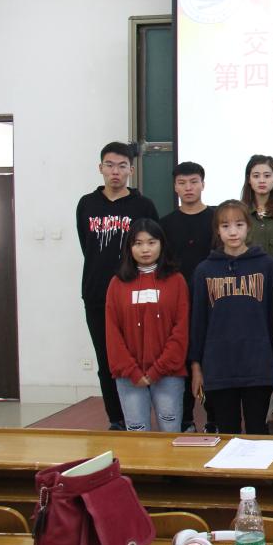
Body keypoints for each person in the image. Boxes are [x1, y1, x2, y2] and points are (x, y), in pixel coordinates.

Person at [76, 141, 159, 430]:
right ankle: (116, 419)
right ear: (100, 168)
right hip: (97, 294)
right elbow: (87, 246)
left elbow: (152, 248)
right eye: (110, 165)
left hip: (135, 293)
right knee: (107, 359)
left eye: (122, 166)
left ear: (131, 171)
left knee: (138, 357)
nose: (115, 171)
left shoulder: (143, 205)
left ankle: (140, 418)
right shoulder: (86, 204)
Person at [189, 200, 273, 435]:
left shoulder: (267, 266)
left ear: (248, 227)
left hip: (258, 365)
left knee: (258, 432)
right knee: (227, 432)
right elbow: (198, 322)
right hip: (219, 366)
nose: (233, 232)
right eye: (225, 226)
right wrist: (196, 366)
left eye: (239, 224)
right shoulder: (204, 271)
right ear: (217, 230)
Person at [104, 218, 189, 432]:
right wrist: (132, 372)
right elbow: (112, 334)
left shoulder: (176, 281)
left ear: (162, 244)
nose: (145, 249)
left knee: (170, 431)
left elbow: (181, 330)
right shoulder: (117, 284)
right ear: (129, 247)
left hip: (168, 373)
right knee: (137, 434)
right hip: (129, 376)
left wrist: (157, 370)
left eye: (151, 242)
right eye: (138, 243)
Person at [159, 161, 216, 433]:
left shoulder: (216, 219)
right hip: (178, 303)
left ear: (203, 184)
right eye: (182, 183)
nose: (188, 188)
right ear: (175, 187)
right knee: (180, 361)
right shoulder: (165, 224)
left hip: (214, 301)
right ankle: (186, 420)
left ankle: (214, 419)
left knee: (211, 360)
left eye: (194, 182)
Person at [241, 154, 273, 264]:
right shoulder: (240, 212)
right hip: (243, 273)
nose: (261, 180)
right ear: (249, 179)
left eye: (267, 176)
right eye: (256, 176)